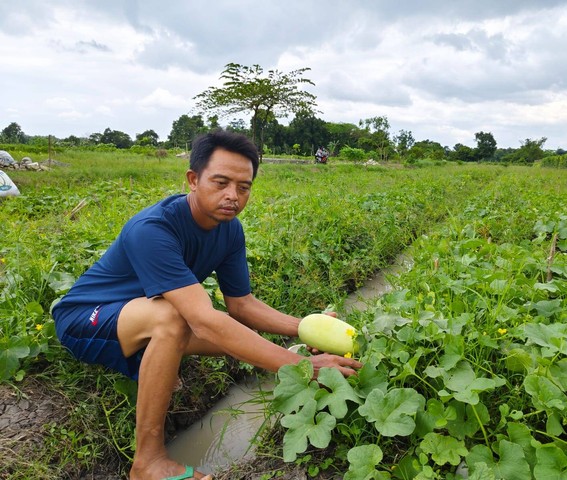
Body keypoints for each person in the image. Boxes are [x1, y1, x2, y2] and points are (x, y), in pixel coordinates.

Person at [52, 130, 362, 480]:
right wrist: (303, 368)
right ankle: (148, 463)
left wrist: (306, 328)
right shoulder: (153, 229)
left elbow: (242, 305)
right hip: (86, 320)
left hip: (141, 316)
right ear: (193, 179)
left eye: (243, 187)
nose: (233, 196)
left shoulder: (229, 230)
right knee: (175, 317)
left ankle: (160, 361)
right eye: (221, 182)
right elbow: (201, 320)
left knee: (237, 340)